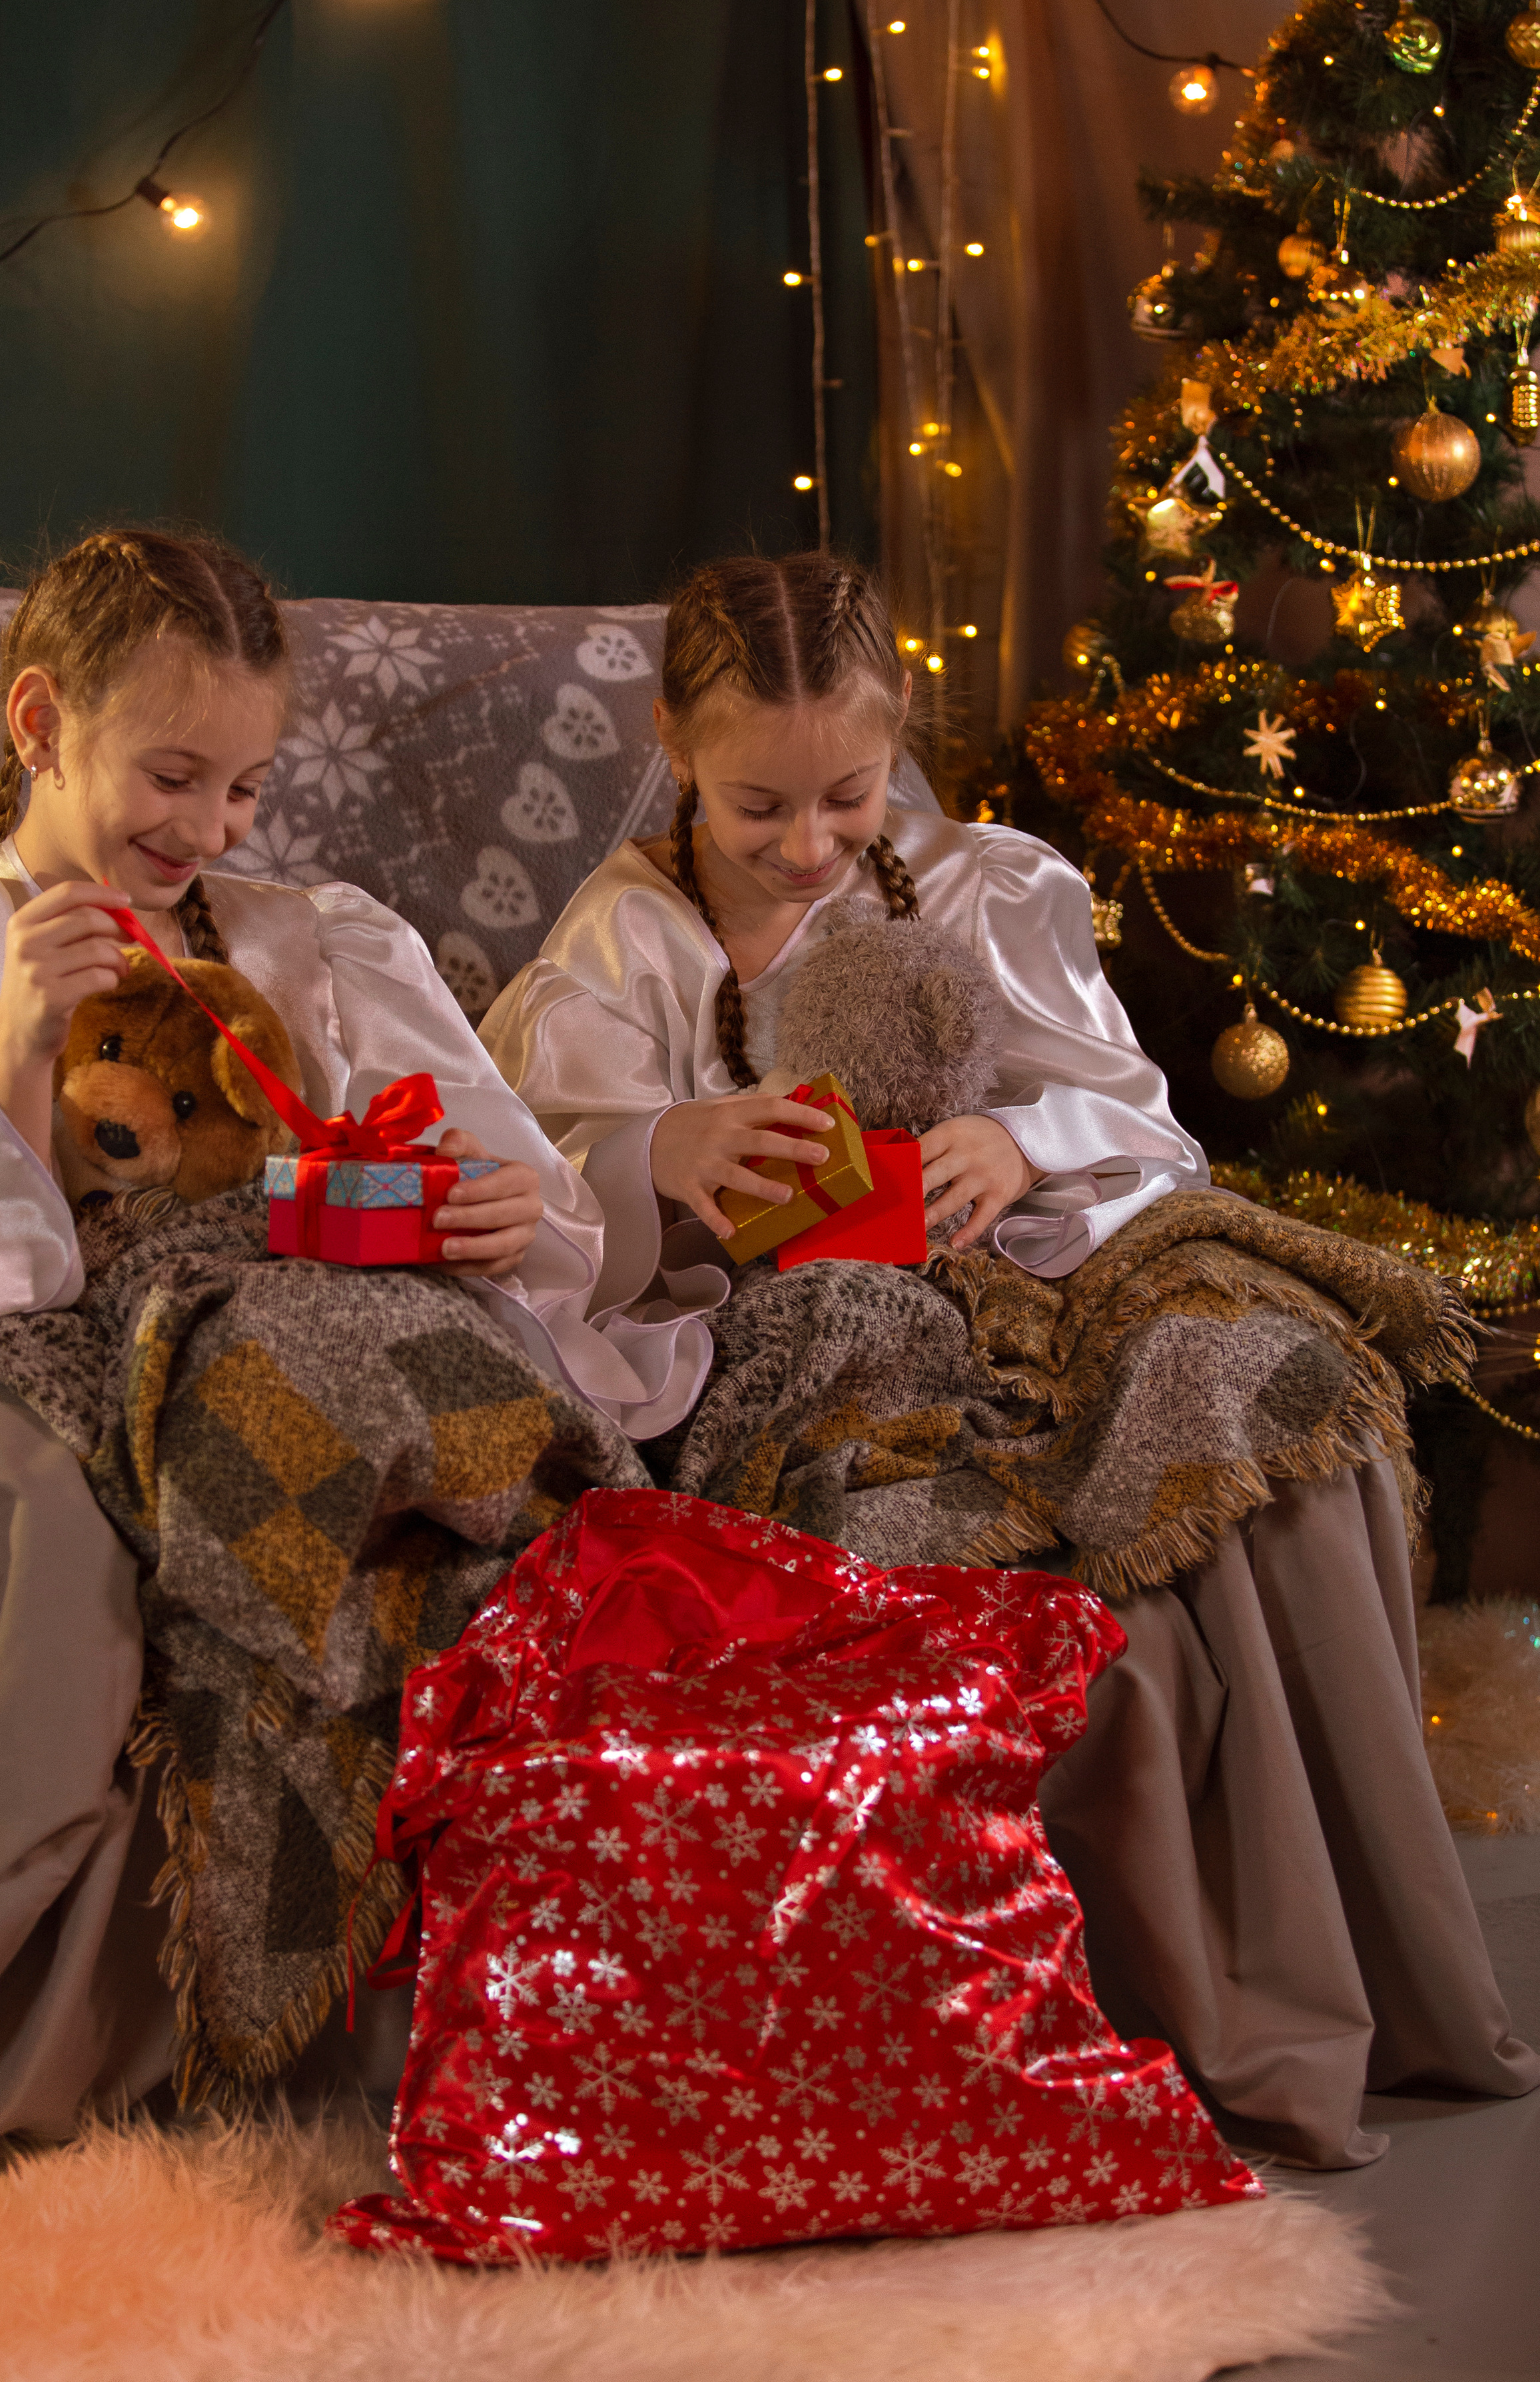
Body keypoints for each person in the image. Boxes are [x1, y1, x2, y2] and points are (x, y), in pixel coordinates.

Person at [480, 550, 1538, 2168]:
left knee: (1267, 1375)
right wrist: (671, 1148)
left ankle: (1367, 1969)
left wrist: (1010, 1136)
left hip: (1044, 1275)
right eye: (759, 806)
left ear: (896, 740)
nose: (810, 845)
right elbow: (541, 1187)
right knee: (918, 1480)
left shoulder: (986, 885)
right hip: (811, 1330)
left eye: (847, 795)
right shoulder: (630, 935)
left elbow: (1137, 1120)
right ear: (672, 745)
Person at [0, 528, 672, 2185]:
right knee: (27, 1506)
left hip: (304, 1306)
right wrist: (15, 1037)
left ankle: (508, 2010)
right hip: (17, 1323)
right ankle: (14, 2035)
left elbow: (515, 1183)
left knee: (452, 1471)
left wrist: (502, 1214)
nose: (208, 829)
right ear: (37, 727)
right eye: (170, 774)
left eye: (243, 785)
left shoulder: (323, 938)